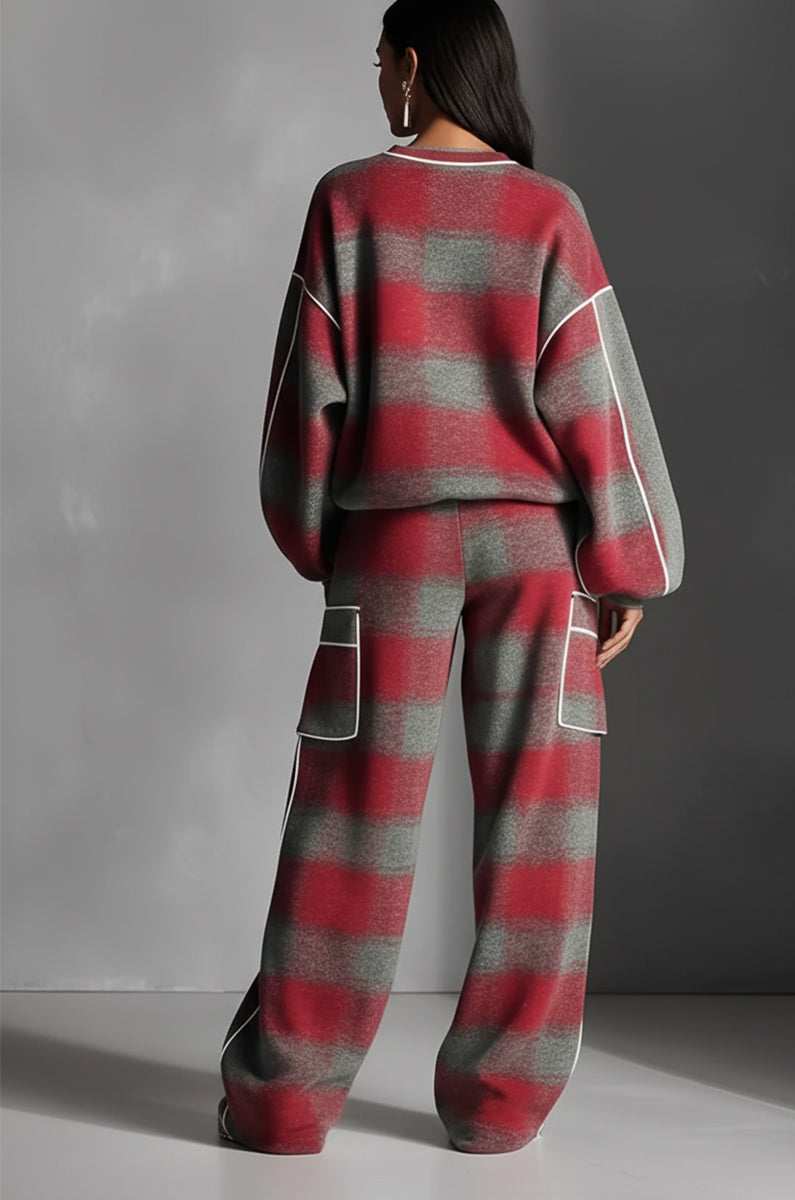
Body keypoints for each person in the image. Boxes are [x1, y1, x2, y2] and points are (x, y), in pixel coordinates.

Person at [217, 0, 685, 1157]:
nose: (377, 80)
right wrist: (630, 565)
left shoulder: (347, 202)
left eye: (381, 61)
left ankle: (283, 1103)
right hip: (537, 552)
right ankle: (498, 1109)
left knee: (352, 815)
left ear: (414, 64)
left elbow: (301, 408)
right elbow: (599, 400)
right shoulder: (549, 214)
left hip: (393, 545)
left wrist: (323, 542)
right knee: (540, 824)